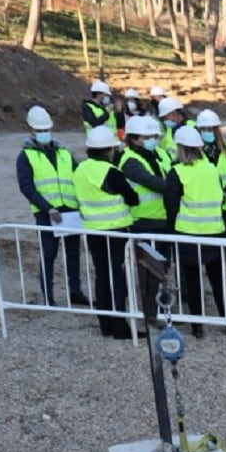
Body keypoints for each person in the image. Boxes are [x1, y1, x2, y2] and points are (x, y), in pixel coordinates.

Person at [165, 124, 226, 334]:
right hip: (214, 231)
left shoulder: (177, 172)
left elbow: (171, 205)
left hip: (188, 233)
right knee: (218, 281)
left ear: (181, 148)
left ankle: (197, 327)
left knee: (193, 282)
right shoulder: (211, 169)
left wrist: (172, 228)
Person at [72, 123, 140, 337]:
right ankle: (120, 326)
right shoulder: (110, 171)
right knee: (118, 278)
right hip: (116, 231)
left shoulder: (80, 169)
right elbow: (133, 198)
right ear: (110, 150)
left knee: (102, 276)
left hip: (93, 230)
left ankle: (105, 324)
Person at [15, 104, 84, 306]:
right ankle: (48, 296)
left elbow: (78, 176)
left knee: (73, 253)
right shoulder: (25, 156)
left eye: (46, 130)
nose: (44, 133)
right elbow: (26, 187)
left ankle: (75, 291)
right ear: (31, 130)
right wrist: (47, 208)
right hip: (47, 214)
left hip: (69, 211)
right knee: (48, 254)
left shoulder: (63, 152)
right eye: (39, 131)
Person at [117, 113, 169, 238]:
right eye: (147, 137)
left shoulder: (160, 153)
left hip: (165, 217)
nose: (153, 140)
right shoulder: (130, 160)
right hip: (144, 220)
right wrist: (180, 186)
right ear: (134, 139)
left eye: (155, 137)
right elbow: (152, 182)